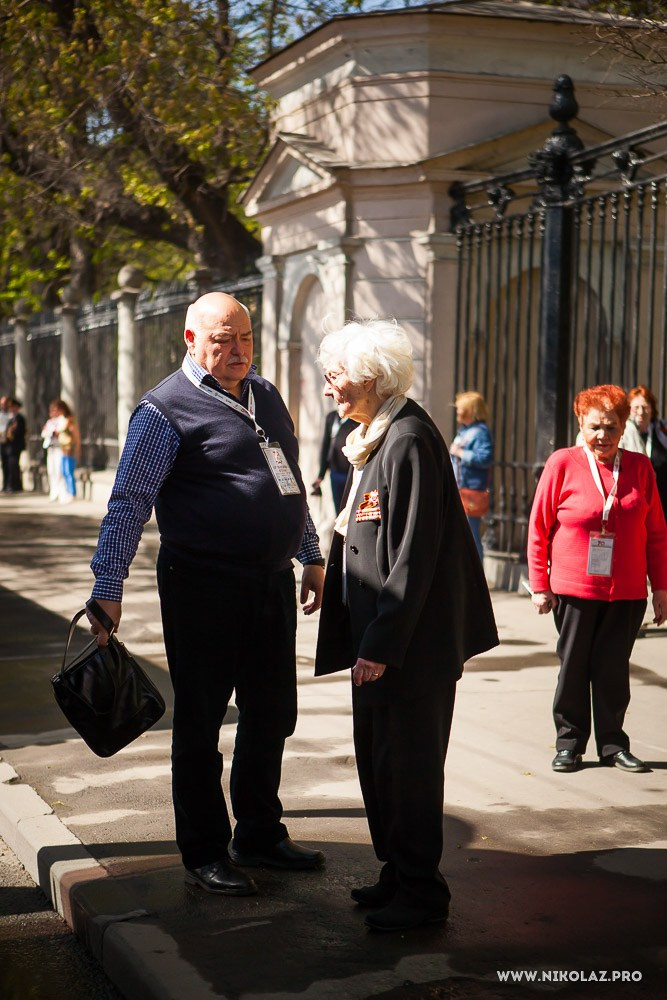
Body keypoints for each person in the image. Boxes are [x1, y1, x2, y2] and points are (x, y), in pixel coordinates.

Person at [86, 291, 326, 898]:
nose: (238, 350)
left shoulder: (265, 395)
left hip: (269, 581)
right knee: (201, 722)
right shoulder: (164, 410)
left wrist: (311, 553)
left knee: (271, 713)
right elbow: (128, 503)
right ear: (190, 340)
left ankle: (260, 834)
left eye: (244, 337)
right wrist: (107, 585)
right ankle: (204, 850)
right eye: (223, 340)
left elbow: (287, 478)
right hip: (202, 586)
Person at [314, 319, 498, 932]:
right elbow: (364, 533)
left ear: (370, 377)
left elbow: (413, 556)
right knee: (380, 762)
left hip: (408, 649)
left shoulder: (410, 438)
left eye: (335, 375)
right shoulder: (377, 434)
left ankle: (422, 893)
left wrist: (381, 645)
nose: (328, 388)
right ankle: (397, 872)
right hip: (379, 642)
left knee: (411, 768)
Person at [527, 384, 667, 775]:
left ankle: (613, 744)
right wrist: (540, 584)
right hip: (573, 589)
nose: (601, 436)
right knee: (573, 667)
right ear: (580, 425)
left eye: (610, 427)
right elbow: (539, 527)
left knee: (612, 670)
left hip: (625, 592)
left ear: (623, 427)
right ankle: (569, 744)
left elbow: (656, 533)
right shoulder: (563, 463)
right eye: (594, 427)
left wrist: (662, 588)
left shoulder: (640, 468)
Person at [449, 391, 493, 560]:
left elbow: (485, 458)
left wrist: (460, 452)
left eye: (461, 408)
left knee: (471, 536)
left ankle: (477, 579)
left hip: (471, 490)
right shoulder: (465, 431)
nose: (458, 412)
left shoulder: (480, 432)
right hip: (461, 487)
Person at [628, 384, 667, 517]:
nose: (640, 412)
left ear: (652, 409)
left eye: (645, 407)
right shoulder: (623, 435)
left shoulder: (662, 432)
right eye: (636, 408)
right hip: (636, 499)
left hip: (662, 500)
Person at [311, 410, 358, 513]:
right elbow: (326, 445)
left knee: (350, 508)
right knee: (339, 508)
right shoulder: (331, 417)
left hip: (350, 473)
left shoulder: (355, 418)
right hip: (335, 472)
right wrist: (321, 475)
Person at [56, 401, 81, 503]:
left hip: (69, 447)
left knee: (69, 470)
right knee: (63, 470)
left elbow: (75, 434)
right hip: (62, 447)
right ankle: (67, 491)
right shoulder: (60, 419)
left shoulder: (70, 420)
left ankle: (72, 493)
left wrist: (78, 447)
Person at [2, 398, 26, 493]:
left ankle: (15, 486)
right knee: (6, 465)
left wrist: (11, 433)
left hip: (15, 446)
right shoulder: (10, 419)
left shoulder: (20, 418)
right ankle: (7, 485)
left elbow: (19, 432)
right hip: (7, 446)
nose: (10, 409)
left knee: (14, 466)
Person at [0, 395, 11, 492]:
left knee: (10, 463)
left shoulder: (11, 415)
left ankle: (9, 484)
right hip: (0, 441)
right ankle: (3, 484)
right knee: (3, 464)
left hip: (10, 443)